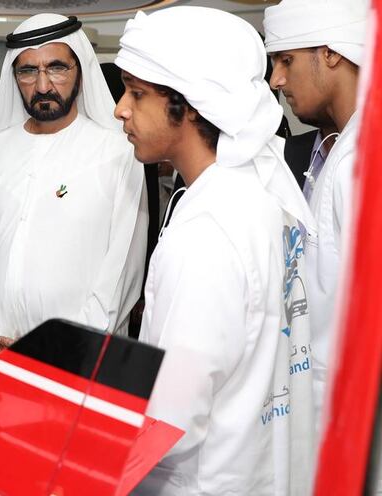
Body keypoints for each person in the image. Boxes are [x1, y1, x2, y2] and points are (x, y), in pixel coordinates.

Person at [115, 6, 316, 494]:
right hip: (259, 463)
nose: (120, 108)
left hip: (204, 478)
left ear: (192, 105)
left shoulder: (207, 233)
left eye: (137, 94)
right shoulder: (261, 189)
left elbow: (170, 420)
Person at [0, 14, 147, 361]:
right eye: (28, 71)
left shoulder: (118, 152)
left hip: (81, 357)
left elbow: (122, 271)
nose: (43, 85)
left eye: (57, 68)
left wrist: (61, 348)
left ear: (80, 71)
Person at [264, 0, 367, 429]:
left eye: (286, 60)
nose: (276, 80)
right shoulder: (334, 148)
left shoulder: (365, 158)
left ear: (331, 53)